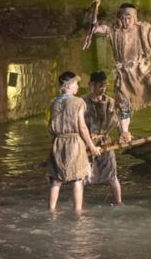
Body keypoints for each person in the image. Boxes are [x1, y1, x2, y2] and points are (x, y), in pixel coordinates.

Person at [90, 3, 151, 143]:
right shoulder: (113, 30)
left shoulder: (144, 29)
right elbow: (95, 28)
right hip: (124, 73)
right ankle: (124, 133)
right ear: (119, 18)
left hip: (142, 69)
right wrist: (95, 10)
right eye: (123, 18)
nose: (126, 21)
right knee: (123, 103)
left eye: (129, 18)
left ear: (134, 18)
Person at [47, 71, 100, 213]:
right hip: (74, 142)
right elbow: (82, 127)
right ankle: (78, 211)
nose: (78, 86)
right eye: (76, 83)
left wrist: (54, 144)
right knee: (78, 179)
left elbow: (50, 126)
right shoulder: (78, 102)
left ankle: (51, 210)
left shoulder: (54, 102)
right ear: (69, 85)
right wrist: (92, 146)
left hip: (57, 142)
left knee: (56, 180)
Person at [83, 71, 122, 205]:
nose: (102, 89)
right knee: (82, 177)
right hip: (86, 143)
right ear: (91, 85)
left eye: (104, 86)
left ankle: (118, 202)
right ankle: (79, 206)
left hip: (105, 142)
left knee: (112, 175)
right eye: (100, 86)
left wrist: (123, 133)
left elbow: (118, 121)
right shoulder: (82, 103)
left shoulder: (110, 102)